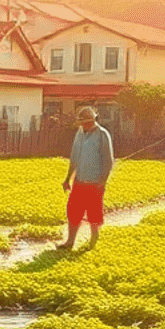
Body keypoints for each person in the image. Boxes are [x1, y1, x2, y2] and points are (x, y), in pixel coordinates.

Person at [59, 105, 114, 250]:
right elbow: (74, 158)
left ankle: (93, 242)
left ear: (92, 120)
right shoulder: (79, 133)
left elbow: (108, 161)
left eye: (87, 122)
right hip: (79, 181)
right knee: (73, 211)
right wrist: (67, 179)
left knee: (94, 213)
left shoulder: (102, 134)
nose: (85, 124)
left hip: (95, 182)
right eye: (83, 122)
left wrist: (103, 181)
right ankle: (70, 242)